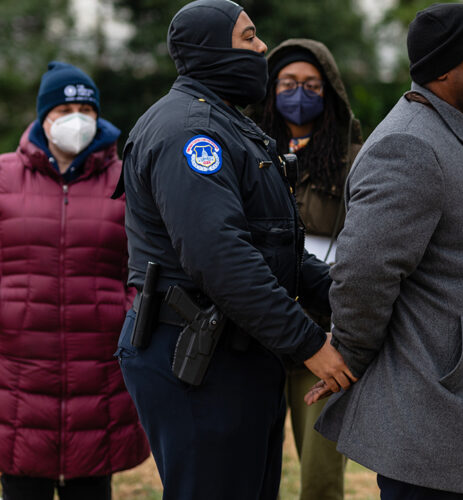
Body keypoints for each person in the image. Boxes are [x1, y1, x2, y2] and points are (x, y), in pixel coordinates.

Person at [113, 1, 355, 499]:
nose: (263, 48)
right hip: (196, 360)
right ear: (210, 48)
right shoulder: (190, 133)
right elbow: (222, 259)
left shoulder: (229, 125)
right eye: (249, 38)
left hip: (237, 356)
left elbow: (276, 248)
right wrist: (310, 344)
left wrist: (351, 298)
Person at [311, 3, 463, 498]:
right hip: (435, 413)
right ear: (443, 69)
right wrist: (352, 355)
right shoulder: (410, 146)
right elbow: (363, 273)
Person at [0, 61, 150, 499]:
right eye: (63, 109)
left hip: (98, 372)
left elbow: (145, 266)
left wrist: (126, 316)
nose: (75, 120)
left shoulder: (126, 180)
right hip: (17, 373)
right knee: (22, 483)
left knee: (91, 484)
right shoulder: (4, 178)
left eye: (85, 110)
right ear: (42, 116)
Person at [252, 38, 361, 500]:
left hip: (324, 336)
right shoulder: (251, 150)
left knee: (320, 479)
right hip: (258, 332)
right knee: (251, 472)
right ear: (271, 89)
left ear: (330, 91)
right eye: (290, 83)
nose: (300, 93)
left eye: (312, 85)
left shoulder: (355, 159)